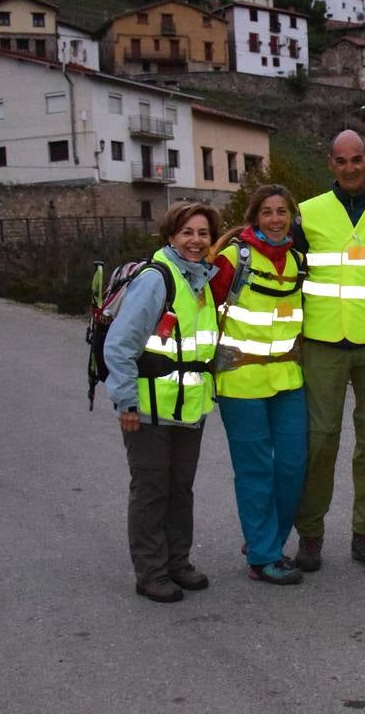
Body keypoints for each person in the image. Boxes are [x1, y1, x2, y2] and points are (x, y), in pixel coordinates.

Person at [291, 130, 365, 573]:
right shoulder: (307, 214)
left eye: (356, 159)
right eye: (341, 161)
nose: (349, 167)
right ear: (330, 164)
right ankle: (310, 534)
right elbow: (292, 275)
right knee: (319, 441)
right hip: (322, 342)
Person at [103, 202, 222, 603]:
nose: (195, 241)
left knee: (180, 489)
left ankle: (177, 563)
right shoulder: (157, 280)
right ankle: (151, 571)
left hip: (188, 409)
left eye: (203, 234)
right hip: (149, 409)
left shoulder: (201, 280)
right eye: (187, 233)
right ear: (170, 236)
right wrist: (126, 403)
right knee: (152, 490)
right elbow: (119, 347)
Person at [209, 185, 308, 586]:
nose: (275, 219)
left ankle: (266, 541)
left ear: (291, 217)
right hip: (240, 379)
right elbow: (202, 306)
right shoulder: (232, 259)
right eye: (266, 212)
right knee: (255, 470)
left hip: (287, 377)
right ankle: (265, 555)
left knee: (292, 466)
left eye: (282, 211)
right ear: (254, 218)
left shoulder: (300, 262)